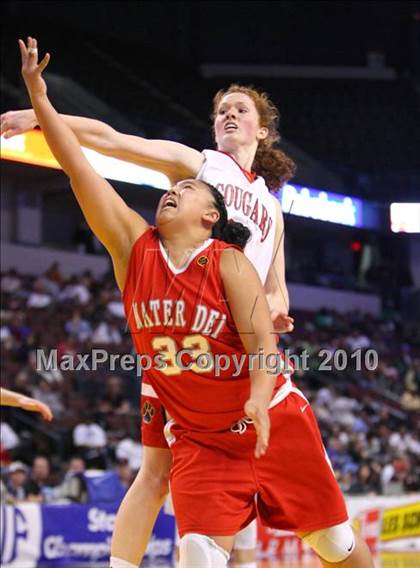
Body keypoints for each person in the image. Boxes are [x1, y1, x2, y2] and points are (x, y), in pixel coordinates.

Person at [19, 37, 374, 568]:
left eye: (240, 110)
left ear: (264, 130)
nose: (228, 115)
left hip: (235, 349)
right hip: (181, 344)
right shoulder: (201, 165)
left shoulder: (272, 212)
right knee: (157, 474)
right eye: (221, 111)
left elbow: (275, 289)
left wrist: (274, 308)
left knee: (317, 533)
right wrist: (37, 112)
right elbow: (109, 140)